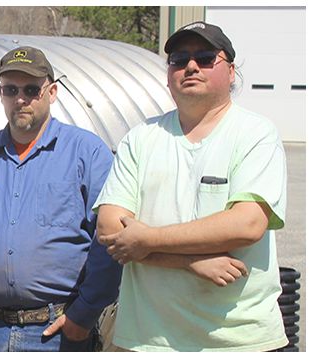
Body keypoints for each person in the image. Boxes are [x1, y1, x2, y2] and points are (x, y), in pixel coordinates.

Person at [93, 21, 288, 352]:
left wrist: (148, 238)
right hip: (146, 340)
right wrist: (190, 261)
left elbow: (247, 224)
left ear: (231, 72)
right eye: (179, 59)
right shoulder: (141, 138)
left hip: (236, 341)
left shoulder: (255, 135)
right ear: (169, 74)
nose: (191, 66)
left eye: (207, 57)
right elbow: (110, 230)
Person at [0, 46, 121, 352]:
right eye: (11, 89)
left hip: (58, 332)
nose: (20, 99)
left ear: (52, 91)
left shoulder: (85, 153)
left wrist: (83, 314)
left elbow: (110, 241)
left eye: (32, 89)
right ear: (1, 93)